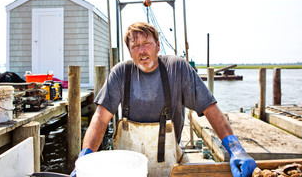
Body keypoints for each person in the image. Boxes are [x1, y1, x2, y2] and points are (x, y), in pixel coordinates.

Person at [73, 22, 256, 177]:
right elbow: (100, 118)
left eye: (146, 43)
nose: (142, 50)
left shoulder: (177, 68)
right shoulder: (121, 72)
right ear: (129, 51)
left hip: (169, 167)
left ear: (158, 45)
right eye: (135, 46)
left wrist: (235, 148)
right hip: (127, 169)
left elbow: (209, 108)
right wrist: (85, 156)